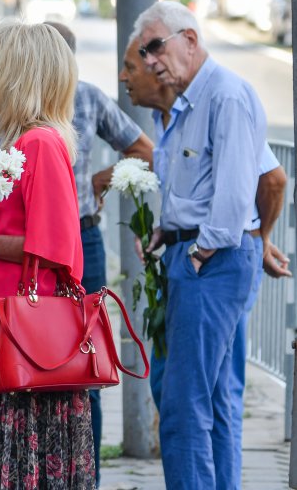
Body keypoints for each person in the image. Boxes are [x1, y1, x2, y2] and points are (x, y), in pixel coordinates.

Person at [120, 35, 290, 483]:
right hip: (202, 256)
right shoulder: (169, 120)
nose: (129, 75)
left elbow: (271, 179)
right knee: (212, 397)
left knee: (189, 400)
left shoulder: (216, 102)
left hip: (214, 262)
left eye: (134, 65)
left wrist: (258, 239)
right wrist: (167, 232)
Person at [0, 21, 95, 489]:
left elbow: (55, 248)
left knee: (11, 462)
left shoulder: (39, 143)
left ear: (16, 73)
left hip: (18, 332)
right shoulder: (21, 143)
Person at [46, 21, 153, 484]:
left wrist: (99, 180)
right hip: (32, 246)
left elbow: (145, 149)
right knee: (39, 352)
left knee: (85, 357)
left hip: (84, 237)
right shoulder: (17, 102)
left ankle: (87, 474)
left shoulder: (88, 97)